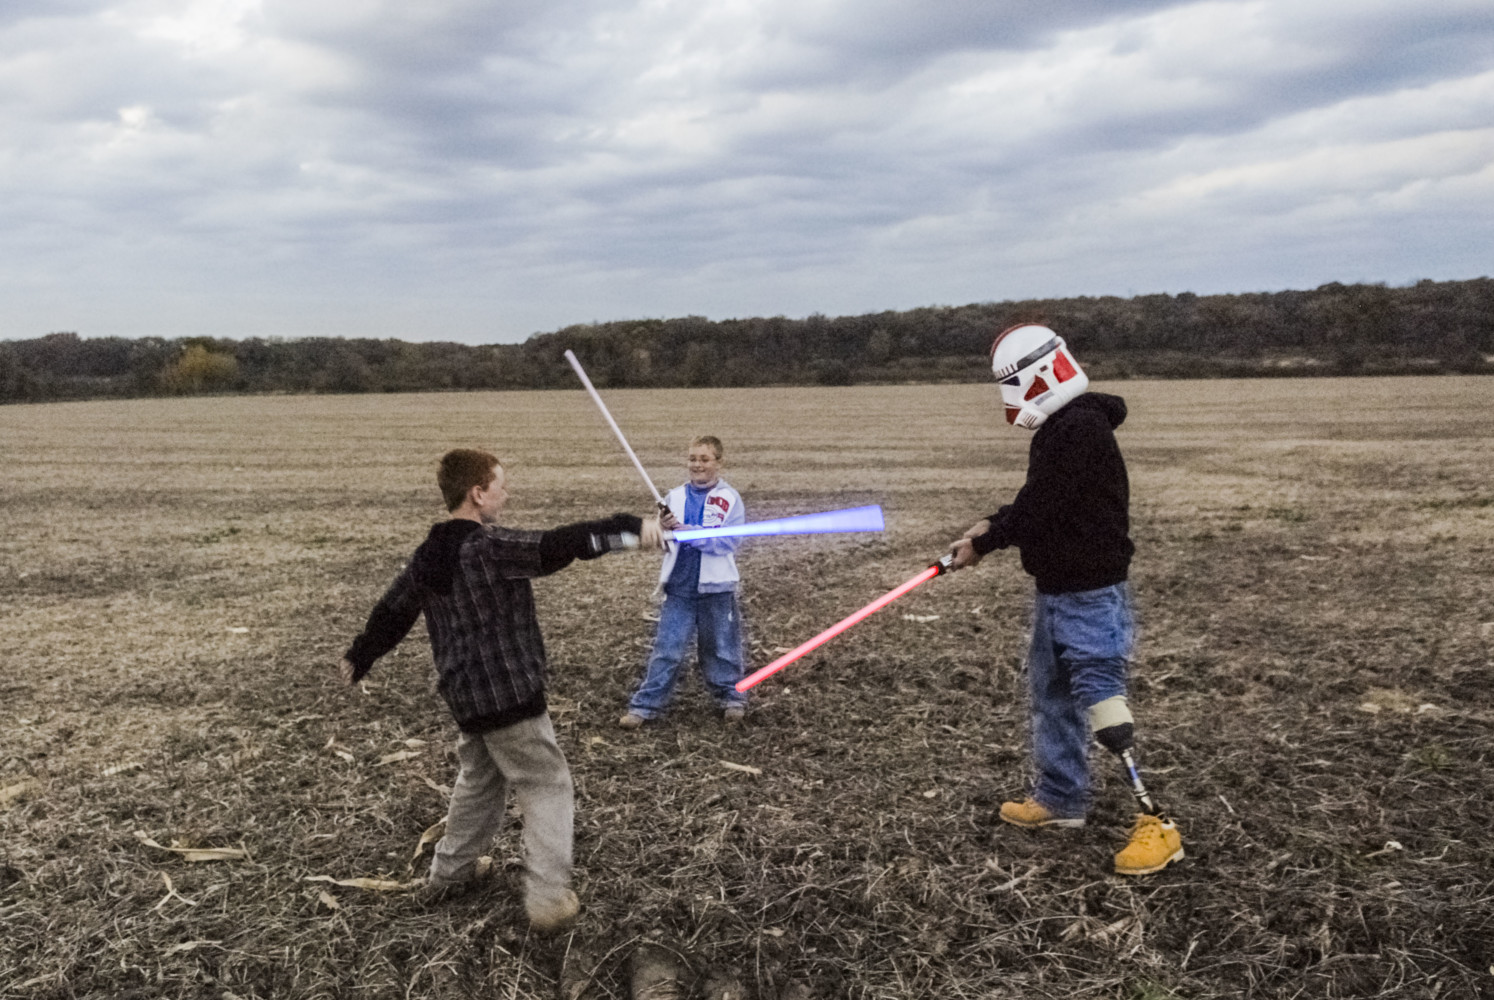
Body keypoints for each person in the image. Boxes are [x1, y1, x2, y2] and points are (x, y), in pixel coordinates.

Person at [338, 448, 660, 930]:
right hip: (510, 697)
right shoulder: (488, 547)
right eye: (500, 486)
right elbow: (564, 543)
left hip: (466, 698)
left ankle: (450, 874)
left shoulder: (428, 555)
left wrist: (360, 654)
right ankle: (547, 899)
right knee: (547, 785)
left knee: (479, 782)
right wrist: (635, 529)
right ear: (478, 493)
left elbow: (393, 611)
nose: (506, 495)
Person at [947, 324, 1184, 876]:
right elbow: (1038, 500)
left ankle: (1159, 824)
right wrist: (992, 524)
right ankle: (1060, 798)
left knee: (1104, 704)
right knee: (1052, 696)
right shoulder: (1064, 427)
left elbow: (1043, 506)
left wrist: (987, 541)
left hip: (1090, 595)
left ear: (1035, 377)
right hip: (1055, 591)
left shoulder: (1079, 429)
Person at [619, 435, 749, 728]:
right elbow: (664, 542)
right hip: (679, 588)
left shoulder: (730, 499)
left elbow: (728, 542)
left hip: (717, 588)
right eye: (692, 458)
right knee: (668, 649)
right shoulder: (673, 498)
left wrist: (689, 532)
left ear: (719, 462)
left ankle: (732, 699)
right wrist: (663, 530)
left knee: (720, 649)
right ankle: (644, 706)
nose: (697, 465)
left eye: (704, 459)